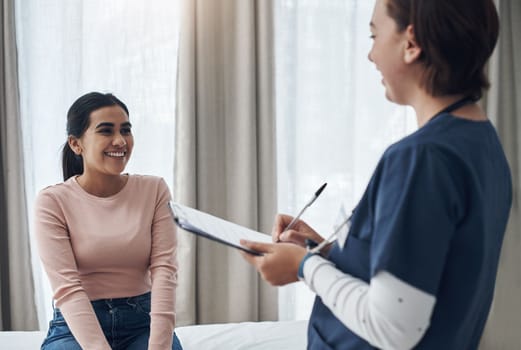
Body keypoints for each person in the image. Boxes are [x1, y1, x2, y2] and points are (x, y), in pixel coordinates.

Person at [241, 0, 512, 349]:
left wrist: (305, 267)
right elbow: (419, 278)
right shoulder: (483, 142)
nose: (370, 55)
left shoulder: (423, 159)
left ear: (411, 44)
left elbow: (394, 327)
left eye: (374, 35)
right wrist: (325, 252)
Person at [34, 92, 182, 350]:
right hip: (75, 326)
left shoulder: (154, 189)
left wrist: (159, 346)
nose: (119, 140)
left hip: (141, 321)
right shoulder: (52, 201)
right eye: (106, 131)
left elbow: (164, 271)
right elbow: (67, 289)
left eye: (125, 130)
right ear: (76, 144)